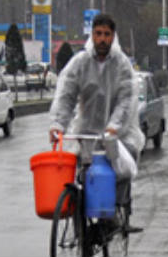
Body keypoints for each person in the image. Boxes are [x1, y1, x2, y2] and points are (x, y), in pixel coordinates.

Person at [48, 13, 144, 177]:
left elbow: (126, 101)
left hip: (117, 137)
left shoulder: (122, 66)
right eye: (98, 33)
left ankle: (121, 202)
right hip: (86, 136)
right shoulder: (80, 63)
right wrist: (58, 125)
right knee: (76, 178)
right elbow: (66, 96)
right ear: (92, 35)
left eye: (107, 34)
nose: (102, 39)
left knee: (118, 179)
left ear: (113, 37)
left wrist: (114, 127)